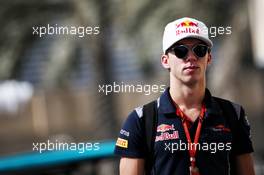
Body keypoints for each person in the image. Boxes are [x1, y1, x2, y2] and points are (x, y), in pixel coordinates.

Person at [114, 17, 255, 175]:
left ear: (209, 58)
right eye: (181, 51)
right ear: (165, 60)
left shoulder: (233, 114)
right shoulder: (140, 120)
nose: (191, 57)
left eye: (199, 50)